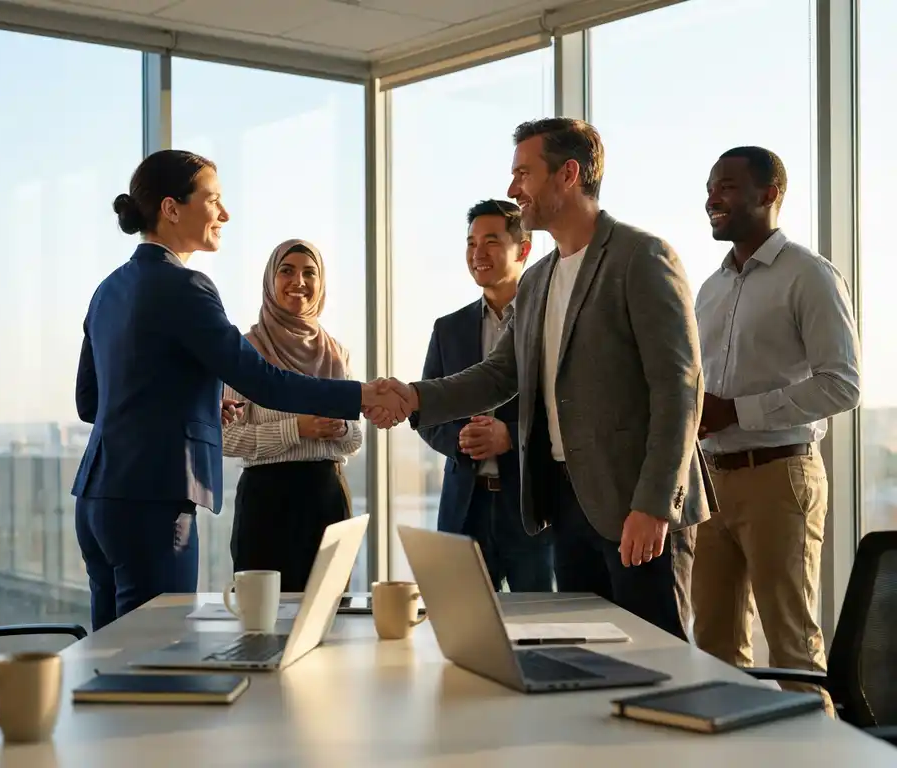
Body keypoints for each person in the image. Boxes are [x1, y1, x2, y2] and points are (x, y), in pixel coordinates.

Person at [382, 118, 714, 639]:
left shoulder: (641, 257)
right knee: (588, 658)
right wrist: (413, 397)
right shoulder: (538, 279)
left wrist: (654, 504)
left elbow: (679, 389)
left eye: (523, 173)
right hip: (565, 507)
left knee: (659, 661)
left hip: (637, 509)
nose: (514, 190)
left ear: (568, 175)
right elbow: (500, 374)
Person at [71, 150, 406, 631]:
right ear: (171, 208)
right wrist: (363, 396)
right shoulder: (185, 286)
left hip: (96, 501)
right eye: (213, 200)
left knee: (108, 659)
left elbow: (90, 404)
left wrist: (200, 406)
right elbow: (262, 381)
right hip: (153, 502)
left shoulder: (108, 288)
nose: (224, 214)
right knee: (157, 656)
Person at [693, 146, 860, 714]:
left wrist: (739, 411)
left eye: (728, 186)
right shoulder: (710, 289)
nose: (713, 198)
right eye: (711, 187)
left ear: (769, 194)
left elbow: (843, 385)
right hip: (710, 483)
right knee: (713, 649)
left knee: (791, 648)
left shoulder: (809, 276)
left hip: (780, 478)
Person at [416, 199, 553, 592]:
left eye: (491, 241)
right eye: (471, 242)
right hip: (464, 510)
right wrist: (460, 439)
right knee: (463, 632)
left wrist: (509, 435)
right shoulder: (448, 329)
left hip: (532, 511)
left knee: (540, 633)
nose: (478, 253)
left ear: (523, 249)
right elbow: (427, 411)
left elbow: (569, 409)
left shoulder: (549, 322)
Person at [224, 239, 362, 592]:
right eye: (287, 271)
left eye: (309, 272)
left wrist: (338, 428)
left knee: (331, 618)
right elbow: (226, 437)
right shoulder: (246, 350)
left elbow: (355, 439)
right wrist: (296, 429)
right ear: (270, 280)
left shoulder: (336, 352)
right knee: (263, 622)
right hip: (267, 502)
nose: (298, 281)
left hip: (328, 498)